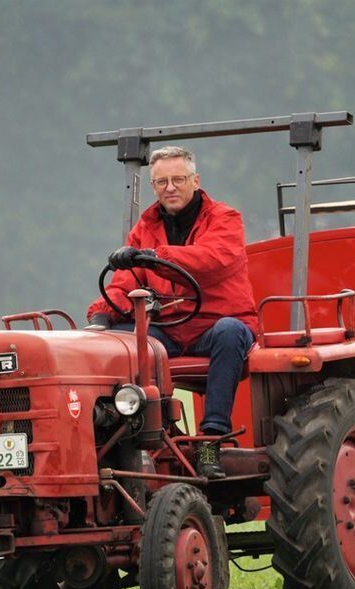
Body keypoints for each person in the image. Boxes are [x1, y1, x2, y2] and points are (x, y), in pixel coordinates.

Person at [86, 146, 258, 478]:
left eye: (178, 179)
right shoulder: (145, 227)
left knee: (230, 332)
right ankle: (137, 443)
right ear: (153, 186)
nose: (170, 188)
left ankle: (210, 444)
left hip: (213, 327)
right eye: (162, 182)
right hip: (169, 328)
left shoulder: (225, 219)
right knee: (120, 343)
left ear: (195, 180)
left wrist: (157, 257)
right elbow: (126, 283)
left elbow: (212, 261)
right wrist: (102, 315)